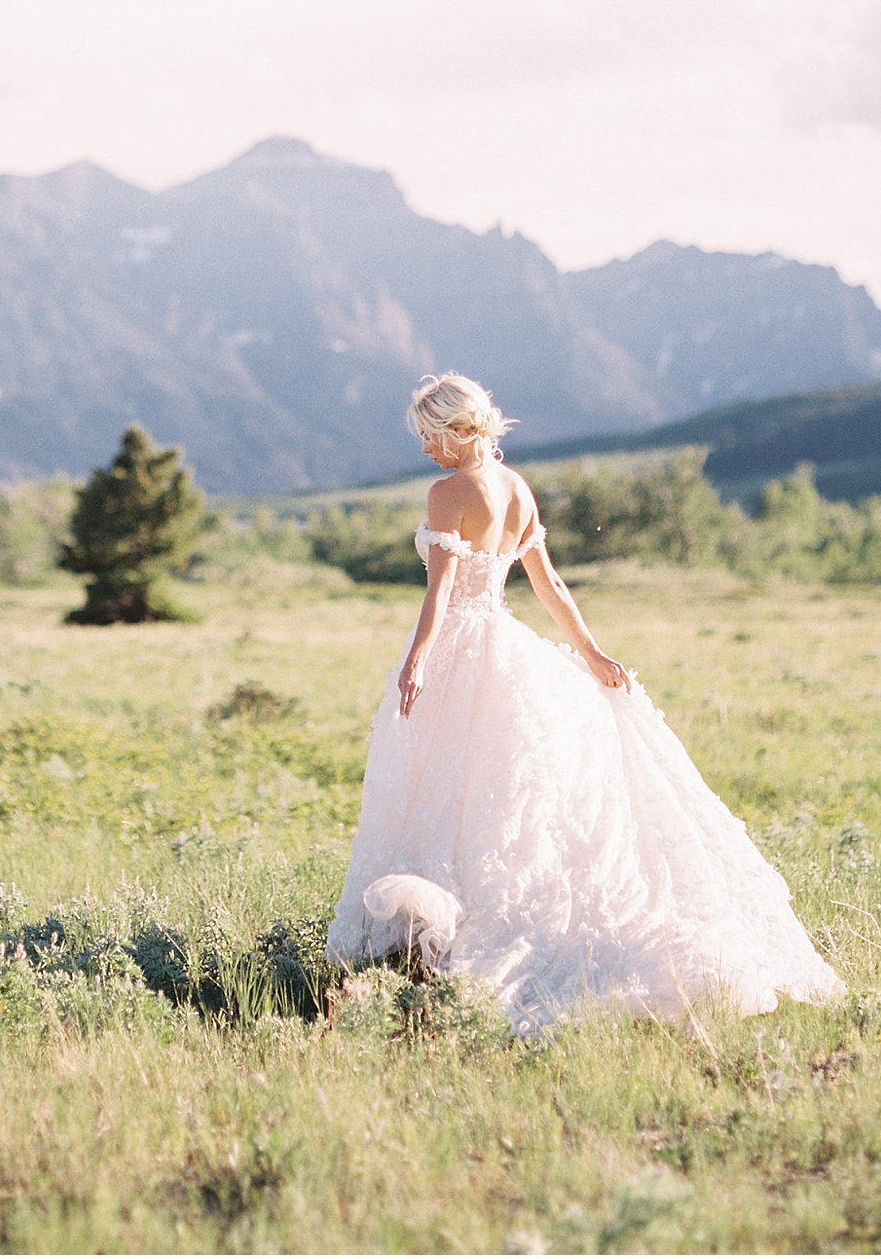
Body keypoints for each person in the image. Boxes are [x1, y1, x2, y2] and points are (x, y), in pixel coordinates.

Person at [326, 371, 846, 1032]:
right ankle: (467, 927)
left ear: (457, 431)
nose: (425, 450)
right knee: (506, 802)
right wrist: (594, 655)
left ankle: (451, 942)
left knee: (452, 790)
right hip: (509, 648)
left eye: (430, 436)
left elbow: (440, 593)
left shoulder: (447, 491)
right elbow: (550, 587)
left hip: (460, 648)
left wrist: (418, 660)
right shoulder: (516, 491)